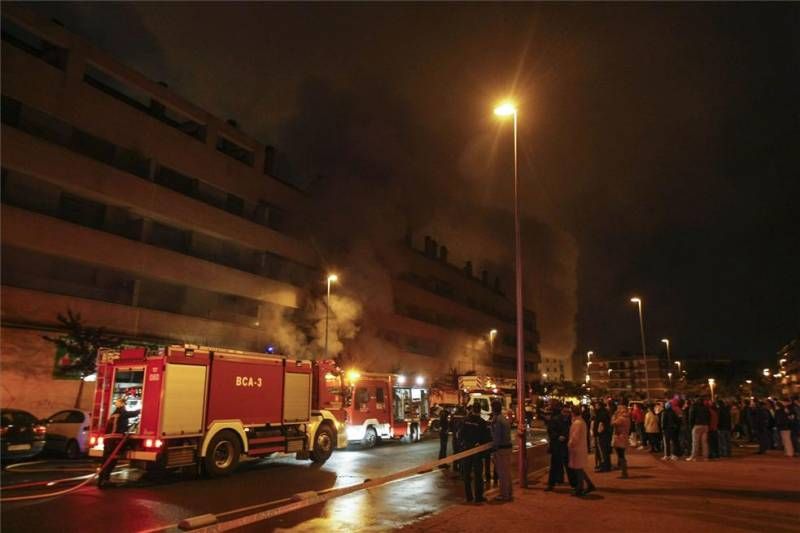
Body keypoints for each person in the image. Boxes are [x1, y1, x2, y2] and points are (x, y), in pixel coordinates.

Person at [98, 397, 138, 488]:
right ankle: (105, 480)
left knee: (105, 460)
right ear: (123, 405)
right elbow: (133, 413)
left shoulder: (114, 414)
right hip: (114, 440)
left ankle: (101, 480)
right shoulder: (122, 412)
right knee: (112, 460)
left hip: (107, 440)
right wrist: (142, 409)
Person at [458, 402, 492, 503]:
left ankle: (469, 497)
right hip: (477, 451)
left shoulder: (465, 420)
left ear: (472, 409)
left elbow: (460, 434)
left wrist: (463, 445)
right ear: (480, 410)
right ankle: (478, 497)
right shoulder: (482, 422)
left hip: (466, 450)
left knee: (467, 475)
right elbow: (486, 438)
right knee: (478, 475)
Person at [568, 404, 596, 497]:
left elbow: (575, 437)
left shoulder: (577, 423)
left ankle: (580, 488)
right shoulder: (581, 422)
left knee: (578, 469)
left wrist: (570, 444)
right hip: (580, 448)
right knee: (579, 468)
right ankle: (588, 485)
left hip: (577, 449)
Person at [545, 400, 571, 490]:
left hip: (565, 445)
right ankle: (552, 483)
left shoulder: (569, 420)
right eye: (565, 412)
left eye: (568, 412)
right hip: (557, 445)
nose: (566, 414)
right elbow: (551, 431)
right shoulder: (556, 419)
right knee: (556, 465)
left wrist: (565, 437)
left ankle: (573, 483)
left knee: (568, 465)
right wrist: (558, 437)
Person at [490, 400, 513, 501]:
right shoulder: (504, 418)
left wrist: (494, 448)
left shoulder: (497, 420)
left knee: (502, 473)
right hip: (507, 448)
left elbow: (497, 436)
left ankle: (504, 495)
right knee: (507, 473)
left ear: (493, 408)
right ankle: (509, 493)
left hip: (501, 449)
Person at [687, 397, 710, 461]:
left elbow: (691, 417)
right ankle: (705, 457)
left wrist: (691, 426)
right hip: (705, 425)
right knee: (704, 442)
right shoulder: (706, 407)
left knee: (695, 442)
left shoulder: (693, 407)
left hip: (697, 425)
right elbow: (709, 416)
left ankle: (694, 456)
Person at [611, 402, 631, 478]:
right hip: (623, 438)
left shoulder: (621, 419)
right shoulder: (627, 418)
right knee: (621, 455)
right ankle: (624, 472)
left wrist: (614, 415)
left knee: (621, 456)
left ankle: (624, 473)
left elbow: (612, 423)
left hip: (620, 439)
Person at [593, 399, 612, 472]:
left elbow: (601, 424)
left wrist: (597, 433)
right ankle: (605, 465)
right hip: (604, 434)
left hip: (602, 435)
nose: (595, 407)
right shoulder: (603, 413)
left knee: (602, 451)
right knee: (604, 451)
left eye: (596, 405)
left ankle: (604, 466)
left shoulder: (601, 414)